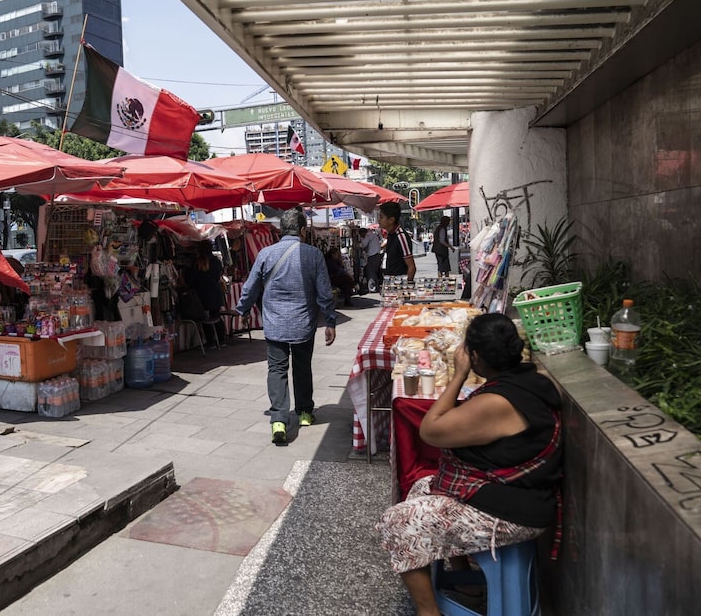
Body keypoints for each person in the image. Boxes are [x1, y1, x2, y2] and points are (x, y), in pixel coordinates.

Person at [375, 313, 563, 616]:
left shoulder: (497, 402)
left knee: (398, 520)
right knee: (423, 486)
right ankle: (465, 580)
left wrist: (459, 374)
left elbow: (430, 430)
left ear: (474, 356)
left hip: (518, 512)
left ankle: (428, 611)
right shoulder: (529, 381)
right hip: (521, 495)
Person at [233, 208, 336, 445]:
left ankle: (279, 420)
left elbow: (250, 287)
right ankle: (304, 413)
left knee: (277, 369)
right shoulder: (313, 255)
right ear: (302, 230)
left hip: (275, 324)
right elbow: (324, 292)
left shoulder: (265, 254)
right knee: (302, 367)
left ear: (281, 230)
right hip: (303, 324)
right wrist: (330, 320)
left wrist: (243, 310)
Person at [184, 239, 227, 348]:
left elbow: (191, 279)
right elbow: (219, 275)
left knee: (205, 318)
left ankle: (210, 341)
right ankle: (221, 340)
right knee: (216, 316)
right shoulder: (216, 261)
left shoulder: (198, 262)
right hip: (216, 293)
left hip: (203, 294)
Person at [378, 201, 416, 284]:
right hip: (390, 282)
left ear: (391, 220)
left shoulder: (401, 236)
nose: (379, 220)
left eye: (381, 217)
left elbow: (411, 266)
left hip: (399, 284)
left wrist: (407, 287)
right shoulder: (391, 234)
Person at [358, 227, 382, 293]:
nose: (362, 236)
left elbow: (364, 244)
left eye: (361, 235)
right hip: (377, 255)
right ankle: (375, 287)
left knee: (370, 272)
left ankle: (372, 288)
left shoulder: (368, 235)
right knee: (374, 271)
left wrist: (360, 243)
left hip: (372, 255)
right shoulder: (373, 234)